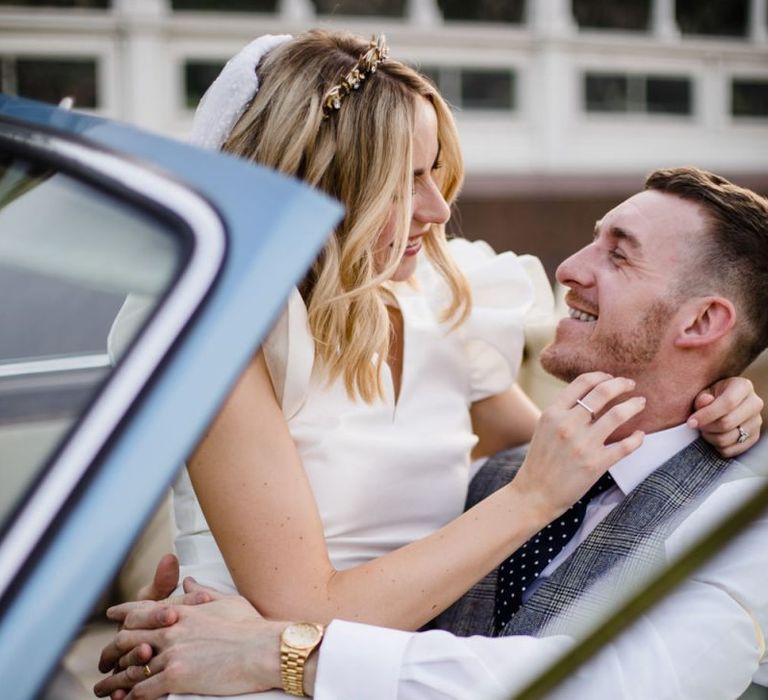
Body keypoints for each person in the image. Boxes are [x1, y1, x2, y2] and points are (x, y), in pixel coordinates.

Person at [95, 167, 768, 700]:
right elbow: (379, 581)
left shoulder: (745, 518)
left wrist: (280, 653)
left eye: (618, 256)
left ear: (703, 323)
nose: (568, 268)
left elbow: (606, 685)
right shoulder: (502, 478)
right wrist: (187, 636)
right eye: (592, 238)